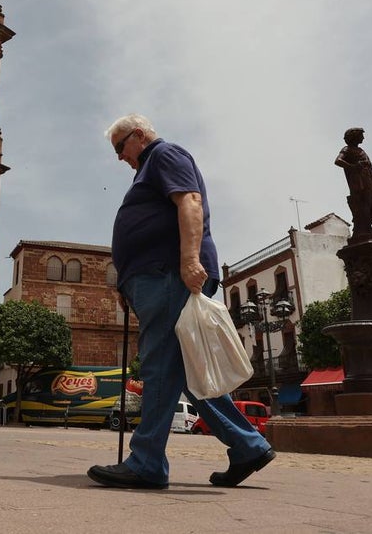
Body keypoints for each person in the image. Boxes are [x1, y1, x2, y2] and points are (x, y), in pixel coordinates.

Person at [88, 114, 276, 490]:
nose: (119, 157)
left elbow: (190, 201)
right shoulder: (149, 166)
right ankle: (247, 445)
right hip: (155, 279)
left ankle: (146, 462)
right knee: (185, 371)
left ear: (138, 135)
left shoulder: (164, 154)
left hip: (169, 275)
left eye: (119, 147)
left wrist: (189, 260)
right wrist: (127, 284)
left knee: (159, 364)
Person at [334, 127, 372, 235]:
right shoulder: (347, 149)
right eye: (361, 135)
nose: (363, 137)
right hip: (360, 185)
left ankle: (361, 228)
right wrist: (353, 167)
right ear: (354, 137)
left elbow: (369, 170)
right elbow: (338, 161)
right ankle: (366, 230)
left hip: (370, 183)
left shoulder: (362, 151)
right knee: (365, 208)